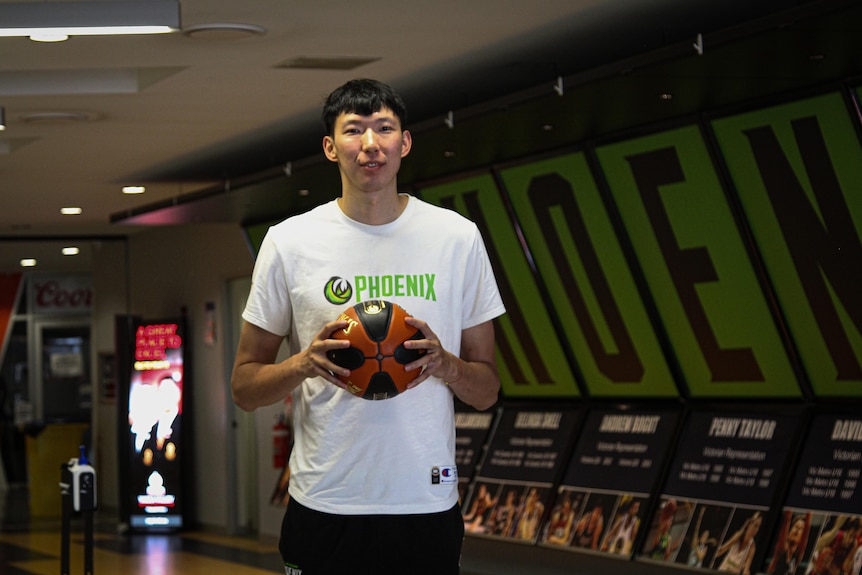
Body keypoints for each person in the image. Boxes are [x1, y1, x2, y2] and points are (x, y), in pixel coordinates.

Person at [231, 78, 506, 575]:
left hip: (423, 500)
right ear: (330, 147)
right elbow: (245, 388)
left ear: (404, 143)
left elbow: (487, 390)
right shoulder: (289, 242)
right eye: (354, 131)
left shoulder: (456, 238)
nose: (370, 144)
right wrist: (302, 364)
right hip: (326, 501)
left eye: (384, 128)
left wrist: (446, 365)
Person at [715, 511, 763, 575]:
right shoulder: (738, 536)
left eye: (758, 527)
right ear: (749, 524)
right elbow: (722, 549)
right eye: (755, 525)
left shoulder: (752, 547)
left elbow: (746, 568)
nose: (756, 529)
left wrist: (746, 570)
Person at [767, 511, 811, 575]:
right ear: (789, 532)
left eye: (801, 528)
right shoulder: (782, 548)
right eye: (796, 526)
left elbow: (807, 528)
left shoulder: (797, 556)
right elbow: (787, 519)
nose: (797, 529)